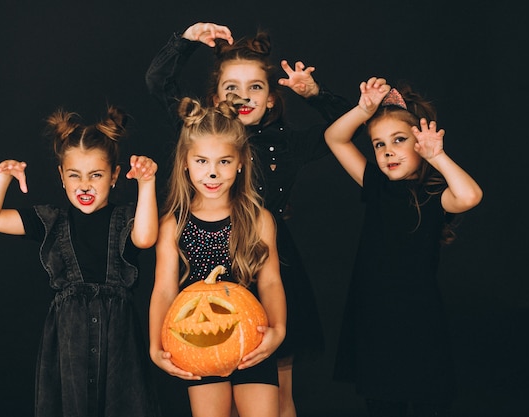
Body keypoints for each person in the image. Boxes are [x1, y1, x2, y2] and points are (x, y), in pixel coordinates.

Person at [145, 22, 352, 416]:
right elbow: (158, 83)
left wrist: (315, 93)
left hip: (266, 264)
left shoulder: (287, 145)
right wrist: (186, 42)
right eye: (231, 88)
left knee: (276, 395)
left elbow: (345, 128)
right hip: (203, 292)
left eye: (255, 87)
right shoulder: (196, 134)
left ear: (272, 98)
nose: (243, 96)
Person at [0, 106, 161, 417]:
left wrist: (147, 183)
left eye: (96, 175)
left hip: (119, 343)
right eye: (74, 175)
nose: (84, 185)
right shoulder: (51, 221)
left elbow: (145, 238)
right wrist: (3, 177)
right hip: (68, 342)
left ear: (114, 176)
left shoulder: (128, 218)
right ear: (62, 176)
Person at [325, 77, 483, 417]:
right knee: (382, 401)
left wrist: (437, 157)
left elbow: (470, 196)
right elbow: (334, 138)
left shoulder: (435, 196)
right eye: (379, 145)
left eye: (399, 140)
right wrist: (363, 109)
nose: (388, 151)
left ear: (419, 144)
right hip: (373, 315)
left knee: (427, 396)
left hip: (419, 316)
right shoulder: (376, 185)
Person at [149, 96, 287, 417]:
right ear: (185, 161)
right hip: (200, 339)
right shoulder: (174, 224)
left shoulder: (258, 219)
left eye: (224, 162)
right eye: (201, 162)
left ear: (241, 162)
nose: (212, 174)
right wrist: (156, 346)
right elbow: (164, 290)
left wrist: (277, 330)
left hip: (252, 340)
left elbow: (270, 283)